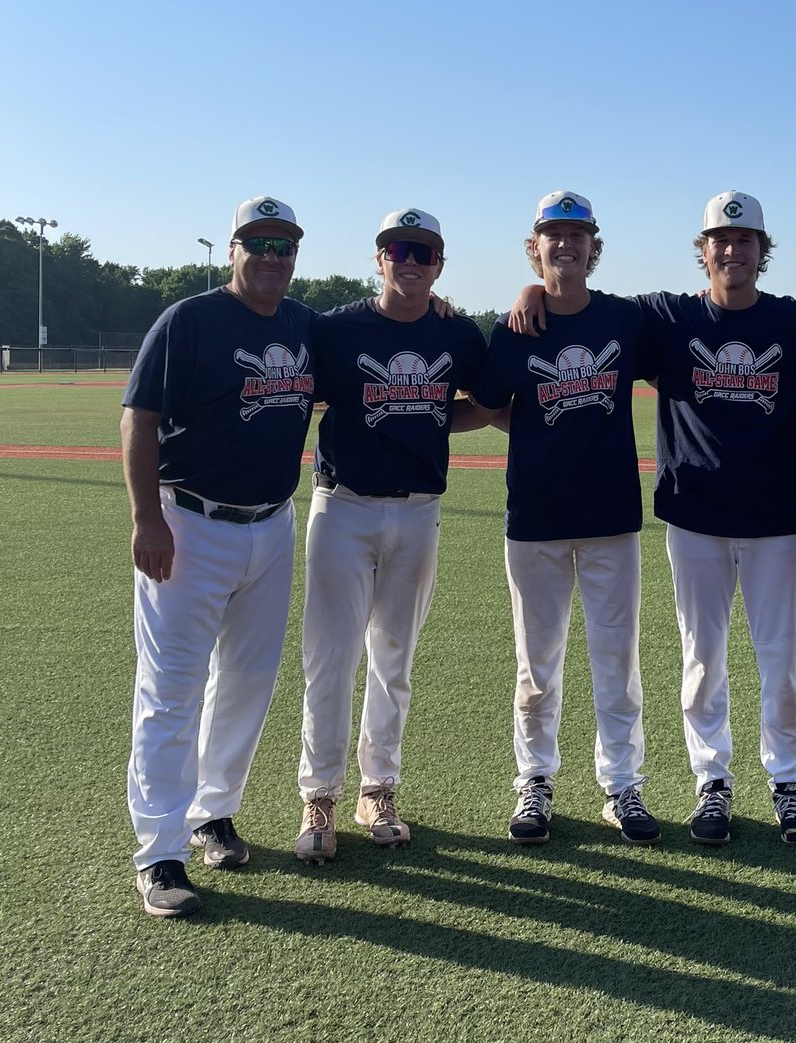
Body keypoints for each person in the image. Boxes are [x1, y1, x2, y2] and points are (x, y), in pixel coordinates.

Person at [511, 191, 796, 847]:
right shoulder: (665, 316)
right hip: (694, 518)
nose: (732, 250)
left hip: (775, 522)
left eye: (744, 240)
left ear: (762, 251)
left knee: (781, 662)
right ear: (703, 252)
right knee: (702, 660)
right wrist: (533, 288)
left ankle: (789, 782)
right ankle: (712, 782)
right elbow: (579, 308)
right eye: (720, 240)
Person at [122, 196, 314, 916]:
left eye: (283, 245)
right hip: (189, 522)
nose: (271, 256)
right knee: (170, 690)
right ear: (233, 249)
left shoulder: (303, 324)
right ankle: (159, 852)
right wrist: (147, 517)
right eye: (258, 242)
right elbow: (138, 417)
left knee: (247, 681)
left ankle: (213, 813)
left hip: (272, 524)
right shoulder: (190, 319)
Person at [294, 208, 487, 863]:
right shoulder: (336, 329)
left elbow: (486, 403)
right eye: (398, 250)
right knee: (330, 656)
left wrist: (426, 416)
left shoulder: (456, 332)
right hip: (342, 506)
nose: (410, 261)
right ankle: (319, 795)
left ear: (439, 264)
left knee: (394, 657)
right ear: (379, 258)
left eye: (423, 253)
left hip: (418, 509)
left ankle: (377, 789)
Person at [472, 190, 660, 846]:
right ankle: (535, 780)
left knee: (617, 660)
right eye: (553, 234)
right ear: (536, 247)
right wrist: (536, 428)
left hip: (611, 516)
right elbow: (488, 402)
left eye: (577, 235)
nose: (565, 244)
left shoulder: (624, 320)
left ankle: (623, 784)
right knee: (536, 664)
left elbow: (681, 352)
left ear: (592, 247)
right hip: (536, 516)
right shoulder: (514, 328)